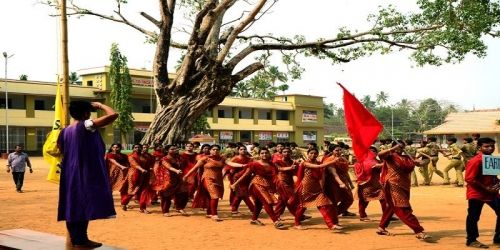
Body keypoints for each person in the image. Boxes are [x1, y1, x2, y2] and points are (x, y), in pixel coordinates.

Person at [57, 100, 118, 248]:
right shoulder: (86, 125)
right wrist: (101, 106)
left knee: (73, 203)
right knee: (84, 202)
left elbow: (60, 149)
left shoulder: (64, 131)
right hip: (84, 171)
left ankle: (77, 238)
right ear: (86, 113)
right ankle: (80, 239)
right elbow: (113, 115)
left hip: (70, 171)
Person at [376, 140, 430, 240]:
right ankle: (418, 230)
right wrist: (393, 148)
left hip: (404, 185)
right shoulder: (390, 156)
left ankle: (381, 227)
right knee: (403, 208)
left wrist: (420, 163)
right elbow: (380, 154)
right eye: (399, 146)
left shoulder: (407, 157)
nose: (401, 148)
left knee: (391, 207)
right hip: (393, 185)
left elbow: (427, 160)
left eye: (402, 146)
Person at [230, 147, 286, 229]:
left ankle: (254, 219)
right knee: (267, 202)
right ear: (259, 155)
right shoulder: (254, 164)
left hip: (267, 185)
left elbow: (277, 173)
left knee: (259, 204)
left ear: (269, 154)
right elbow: (246, 174)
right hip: (257, 184)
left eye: (266, 153)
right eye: (262, 153)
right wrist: (235, 184)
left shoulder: (272, 164)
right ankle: (276, 221)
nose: (264, 155)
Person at [294, 147, 345, 231]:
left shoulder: (317, 162)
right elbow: (318, 167)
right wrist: (332, 161)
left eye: (315, 153)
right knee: (302, 206)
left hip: (317, 188)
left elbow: (321, 170)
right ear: (308, 154)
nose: (313, 155)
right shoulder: (305, 163)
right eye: (311, 153)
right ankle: (297, 223)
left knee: (323, 206)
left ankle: (331, 225)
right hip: (306, 188)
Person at [465, 137, 500, 248]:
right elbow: (470, 179)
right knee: (474, 217)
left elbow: (492, 176)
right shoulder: (475, 161)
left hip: (492, 193)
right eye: (486, 146)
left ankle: (498, 238)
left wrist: (498, 183)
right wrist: (486, 188)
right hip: (477, 194)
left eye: (492, 146)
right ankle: (471, 240)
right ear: (479, 147)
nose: (490, 148)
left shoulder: (491, 159)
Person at [185, 145, 226, 221]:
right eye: (213, 149)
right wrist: (186, 176)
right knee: (215, 196)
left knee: (209, 197)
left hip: (218, 180)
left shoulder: (222, 159)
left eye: (217, 149)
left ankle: (209, 213)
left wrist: (244, 165)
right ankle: (214, 215)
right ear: (210, 150)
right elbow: (195, 168)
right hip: (207, 179)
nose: (215, 151)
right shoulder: (205, 158)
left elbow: (230, 164)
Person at [354, 146, 386, 222]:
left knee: (383, 199)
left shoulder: (376, 160)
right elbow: (375, 166)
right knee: (364, 200)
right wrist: (387, 163)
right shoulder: (365, 161)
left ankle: (386, 215)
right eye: (371, 151)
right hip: (366, 183)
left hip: (376, 183)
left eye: (374, 151)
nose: (373, 152)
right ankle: (362, 215)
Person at [157, 145, 189, 217]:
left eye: (175, 148)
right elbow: (169, 166)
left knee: (184, 194)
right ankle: (165, 211)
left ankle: (179, 207)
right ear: (167, 151)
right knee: (166, 195)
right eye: (172, 149)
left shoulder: (179, 158)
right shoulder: (164, 159)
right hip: (168, 179)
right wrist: (176, 170)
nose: (175, 150)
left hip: (179, 178)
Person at [225, 146, 255, 215]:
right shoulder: (235, 158)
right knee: (242, 194)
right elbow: (229, 168)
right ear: (238, 150)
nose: (243, 150)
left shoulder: (249, 158)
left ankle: (235, 209)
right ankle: (252, 209)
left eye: (244, 149)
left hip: (247, 178)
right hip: (237, 178)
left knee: (241, 194)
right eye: (241, 149)